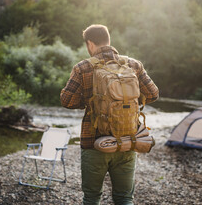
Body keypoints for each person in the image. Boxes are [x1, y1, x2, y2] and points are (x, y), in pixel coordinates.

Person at [60, 24, 159, 205]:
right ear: (108, 40)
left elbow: (66, 100)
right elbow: (153, 94)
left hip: (94, 142)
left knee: (92, 198)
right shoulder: (133, 65)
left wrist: (92, 102)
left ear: (90, 44)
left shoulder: (83, 68)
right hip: (128, 140)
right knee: (124, 198)